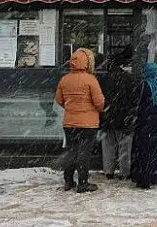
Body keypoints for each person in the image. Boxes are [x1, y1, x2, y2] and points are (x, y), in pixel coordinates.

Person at [55, 48, 105, 193]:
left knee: (71, 151)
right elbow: (99, 102)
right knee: (84, 153)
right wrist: (98, 109)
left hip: (70, 123)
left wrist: (70, 107)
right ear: (87, 62)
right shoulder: (91, 79)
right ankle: (83, 183)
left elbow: (59, 99)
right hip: (88, 124)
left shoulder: (65, 79)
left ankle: (68, 181)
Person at [98, 56, 139, 180]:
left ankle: (108, 171)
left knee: (108, 146)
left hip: (108, 117)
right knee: (124, 147)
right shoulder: (129, 79)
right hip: (124, 118)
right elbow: (134, 100)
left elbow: (100, 100)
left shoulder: (103, 79)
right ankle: (124, 172)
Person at [131, 62, 157, 189]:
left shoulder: (143, 85)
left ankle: (145, 178)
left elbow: (136, 102)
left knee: (144, 149)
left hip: (145, 122)